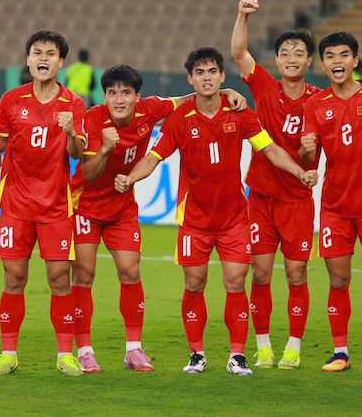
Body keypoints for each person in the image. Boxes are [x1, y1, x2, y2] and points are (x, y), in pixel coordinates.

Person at [115, 47, 318, 376]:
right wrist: (131, 176)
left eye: (212, 72)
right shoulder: (180, 119)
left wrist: (298, 171)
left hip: (235, 219)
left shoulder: (240, 113)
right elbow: (154, 157)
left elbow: (270, 149)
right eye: (200, 73)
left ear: (222, 77)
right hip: (194, 220)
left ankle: (237, 355)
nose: (206, 78)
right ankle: (197, 353)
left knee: (236, 282)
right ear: (190, 79)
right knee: (194, 283)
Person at [231, 0, 362, 369]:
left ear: (310, 60)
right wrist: (242, 15)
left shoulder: (320, 99)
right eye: (286, 52)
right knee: (261, 272)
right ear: (278, 59)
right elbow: (238, 52)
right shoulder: (264, 86)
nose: (292, 57)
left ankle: (294, 346)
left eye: (300, 52)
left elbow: (354, 96)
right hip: (262, 197)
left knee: (297, 273)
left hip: (299, 200)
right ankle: (264, 345)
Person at [70, 64, 248, 373]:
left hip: (122, 207)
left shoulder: (150, 110)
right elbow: (86, 172)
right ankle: (85, 350)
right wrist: (106, 149)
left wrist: (225, 92)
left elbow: (189, 97)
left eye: (126, 93)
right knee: (84, 275)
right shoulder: (93, 119)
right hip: (85, 206)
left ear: (137, 96)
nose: (119, 99)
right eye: (112, 93)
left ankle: (133, 349)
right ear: (105, 96)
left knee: (130, 271)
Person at [0, 30, 87, 377]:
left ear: (61, 62)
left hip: (56, 207)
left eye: (50, 53)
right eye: (36, 52)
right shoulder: (11, 101)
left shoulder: (73, 103)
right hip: (16, 206)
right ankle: (8, 353)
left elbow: (77, 154)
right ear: (28, 60)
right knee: (14, 277)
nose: (42, 58)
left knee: (60, 278)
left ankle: (64, 354)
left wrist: (72, 131)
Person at [300, 32, 362, 374]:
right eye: (330, 56)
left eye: (345, 55)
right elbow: (308, 153)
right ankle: (340, 351)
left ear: (355, 61)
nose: (338, 61)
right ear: (323, 63)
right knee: (338, 280)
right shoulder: (314, 105)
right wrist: (307, 153)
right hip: (334, 207)